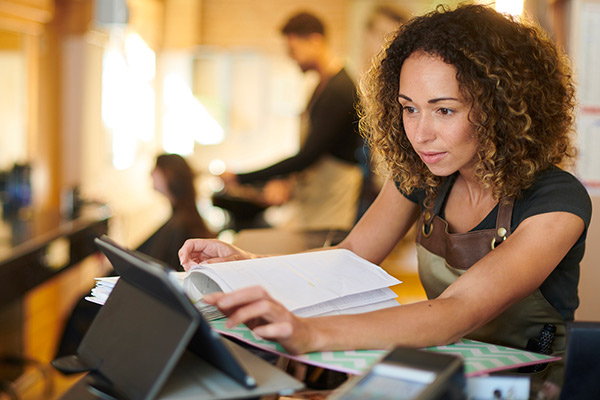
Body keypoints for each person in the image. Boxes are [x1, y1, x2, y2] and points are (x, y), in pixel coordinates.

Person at [179, 4, 592, 386]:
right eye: (409, 108)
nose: (420, 133)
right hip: (448, 367)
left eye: (444, 110)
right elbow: (351, 256)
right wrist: (248, 265)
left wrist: (310, 333)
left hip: (533, 385)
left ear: (502, 108)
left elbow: (457, 310)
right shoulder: (424, 175)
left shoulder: (557, 201)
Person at [55, 153, 214, 358]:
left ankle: (73, 362)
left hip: (152, 304)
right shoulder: (183, 218)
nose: (150, 175)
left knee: (84, 306)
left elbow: (157, 266)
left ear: (168, 175)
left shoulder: (180, 226)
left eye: (154, 170)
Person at [220, 11, 364, 231]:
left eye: (293, 50)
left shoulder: (339, 90)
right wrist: (287, 182)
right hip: (317, 194)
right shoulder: (321, 86)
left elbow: (307, 156)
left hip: (333, 197)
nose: (291, 57)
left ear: (315, 41)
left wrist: (242, 178)